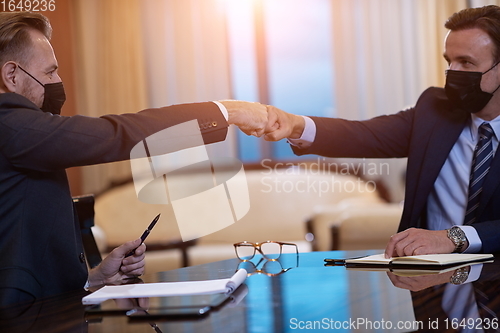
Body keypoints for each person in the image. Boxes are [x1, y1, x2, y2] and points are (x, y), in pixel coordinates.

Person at [0, 12, 267, 305]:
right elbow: (117, 134)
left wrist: (96, 277)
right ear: (11, 75)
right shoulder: (10, 125)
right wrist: (225, 113)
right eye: (49, 73)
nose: (58, 81)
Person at [263, 5, 500, 258]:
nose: (453, 72)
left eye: (466, 62)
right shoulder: (434, 111)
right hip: (428, 280)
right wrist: (295, 124)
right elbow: (363, 135)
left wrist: (453, 238)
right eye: (449, 61)